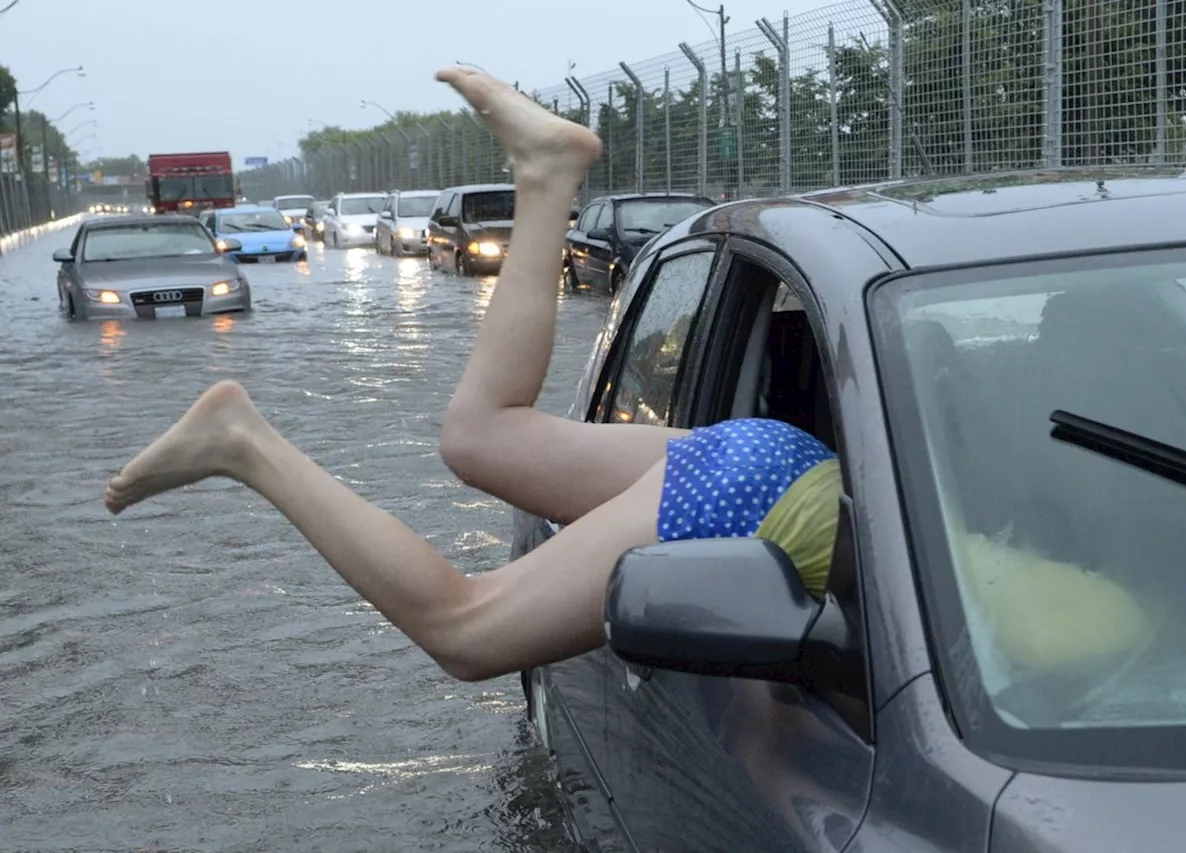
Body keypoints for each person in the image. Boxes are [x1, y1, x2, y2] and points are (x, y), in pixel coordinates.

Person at [104, 66, 844, 683]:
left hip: (786, 465)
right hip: (773, 505)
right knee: (466, 628)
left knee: (479, 435)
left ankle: (546, 178)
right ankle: (247, 446)